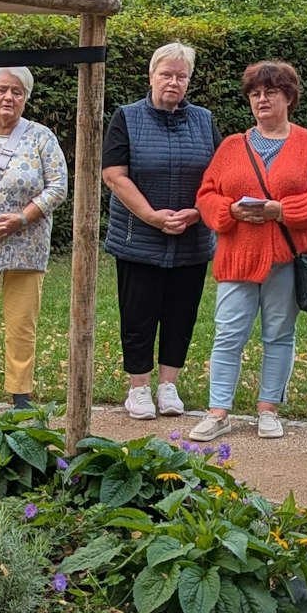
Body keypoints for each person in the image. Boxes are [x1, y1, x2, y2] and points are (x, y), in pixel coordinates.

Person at [188, 60, 307, 441]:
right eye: (255, 93)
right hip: (238, 255)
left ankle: (268, 409)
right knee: (228, 334)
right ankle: (218, 411)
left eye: (271, 92)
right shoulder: (233, 146)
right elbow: (206, 194)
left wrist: (281, 211)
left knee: (279, 334)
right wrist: (229, 211)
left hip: (287, 256)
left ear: (289, 97)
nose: (262, 99)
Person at [103, 42, 218, 421]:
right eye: (166, 74)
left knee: (181, 314)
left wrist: (197, 212)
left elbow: (219, 177)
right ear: (151, 76)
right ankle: (138, 388)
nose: (173, 81)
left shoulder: (204, 119)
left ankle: (169, 385)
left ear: (189, 81)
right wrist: (152, 216)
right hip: (140, 236)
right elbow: (114, 175)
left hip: (191, 235)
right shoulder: (127, 117)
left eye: (181, 76)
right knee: (138, 313)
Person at [0, 66, 69, 409]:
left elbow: (59, 186)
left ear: (26, 97)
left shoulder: (42, 137)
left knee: (21, 325)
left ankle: (21, 394)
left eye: (16, 91)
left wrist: (21, 218)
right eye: (1, 90)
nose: (8, 97)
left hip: (26, 246)